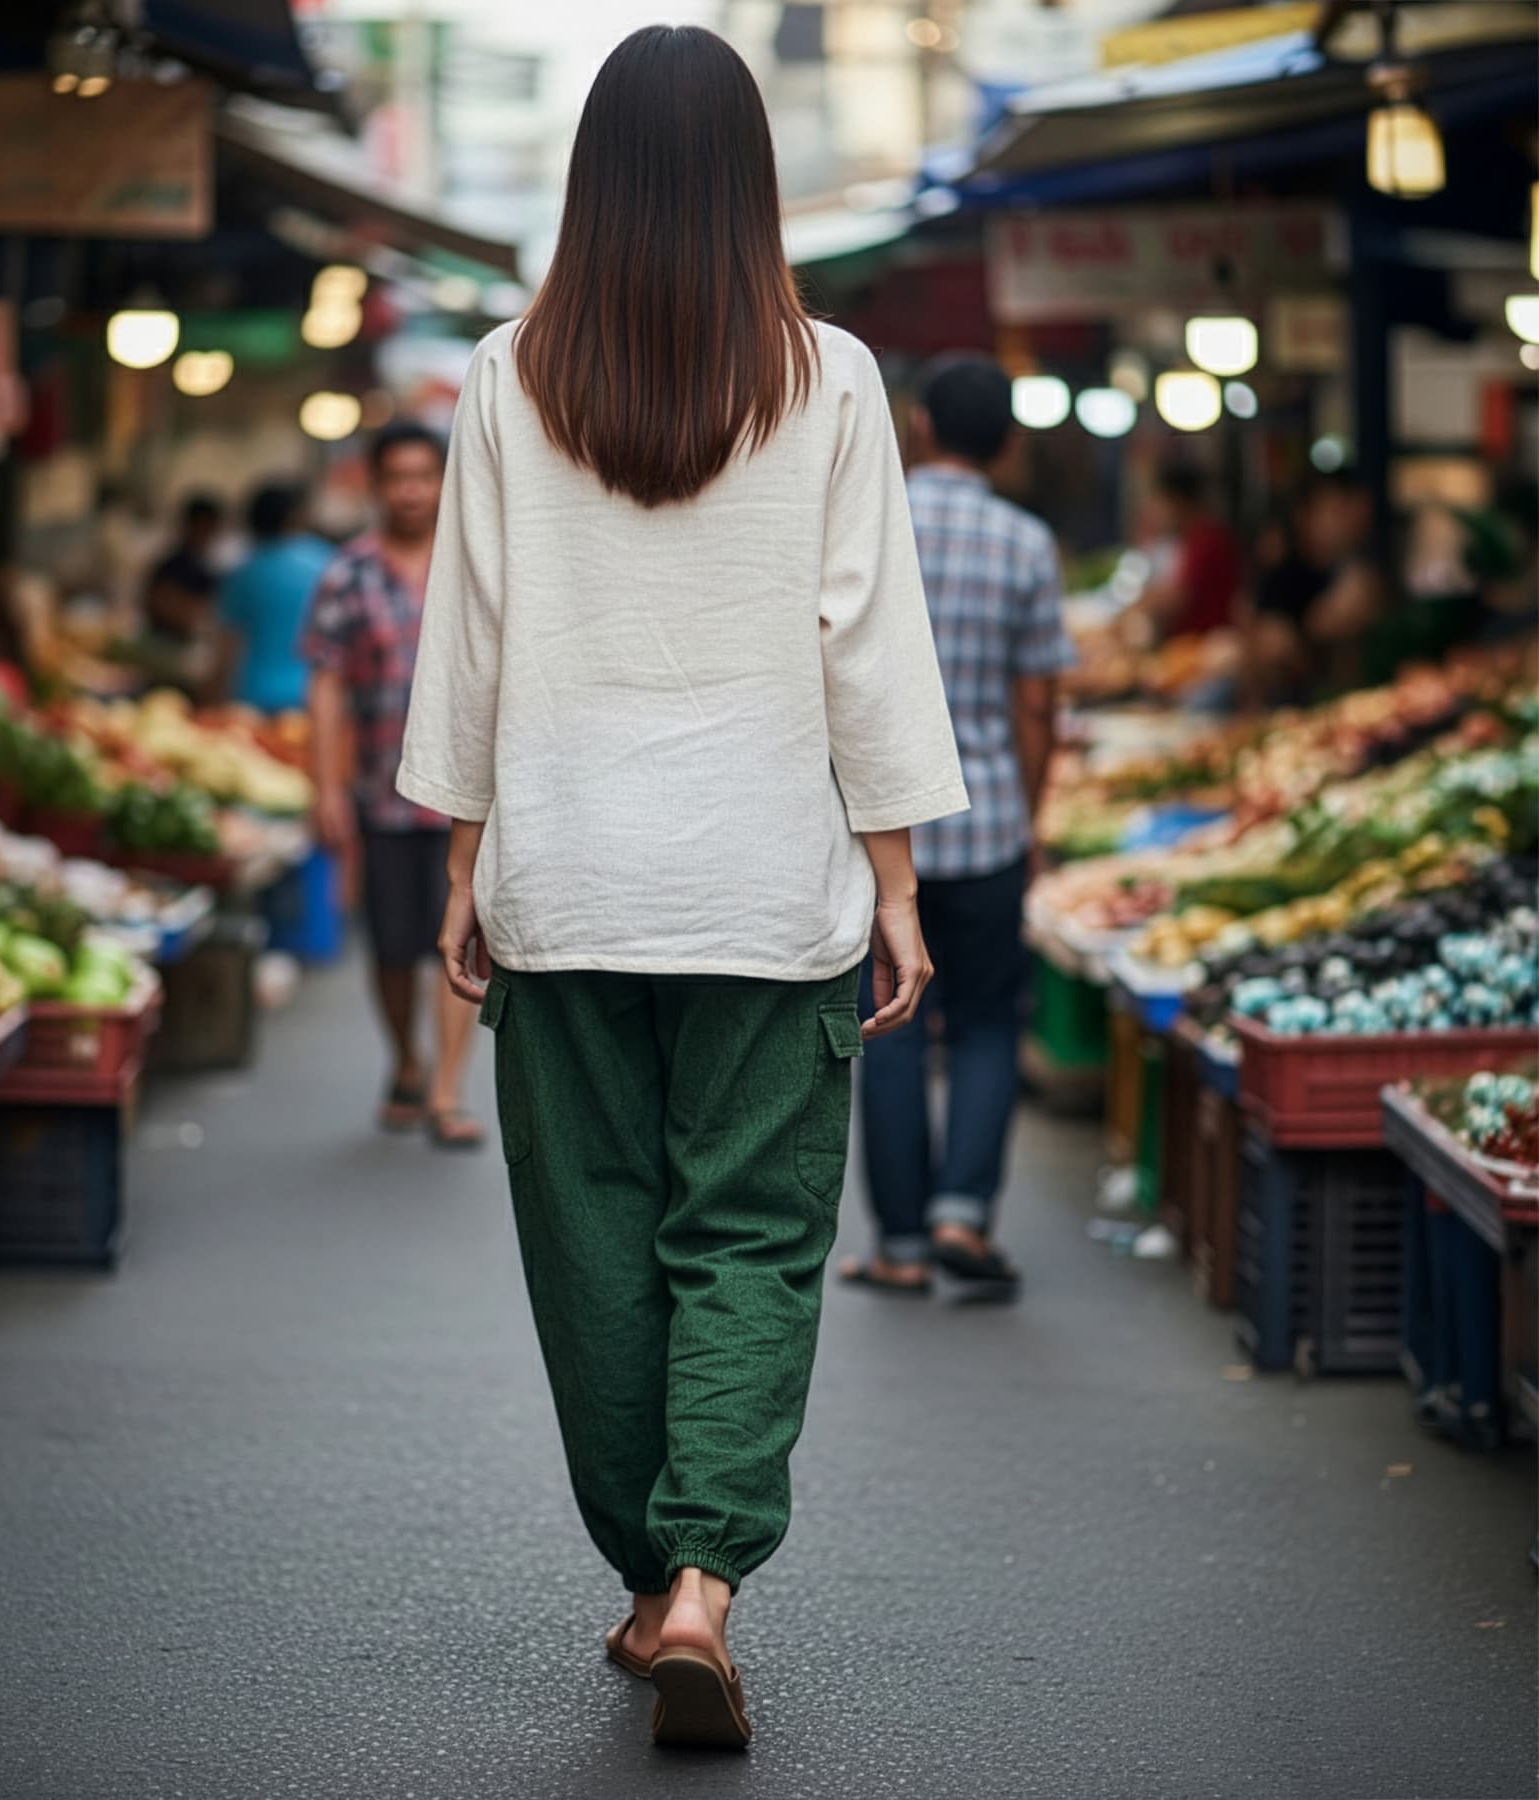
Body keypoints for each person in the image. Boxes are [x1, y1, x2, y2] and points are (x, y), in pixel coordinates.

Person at [395, 26, 965, 1750]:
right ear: (750, 181)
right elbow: (868, 647)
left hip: (568, 874)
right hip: (766, 880)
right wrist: (899, 879)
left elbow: (469, 643)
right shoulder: (834, 378)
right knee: (755, 1239)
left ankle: (650, 1582)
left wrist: (465, 857)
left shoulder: (506, 376)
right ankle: (704, 1583)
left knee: (592, 1249)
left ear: (590, 180)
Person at [839, 356, 1073, 1302]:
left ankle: (898, 1241)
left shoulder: (867, 528)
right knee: (983, 1025)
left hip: (879, 828)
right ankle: (961, 1213)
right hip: (985, 833)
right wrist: (1028, 808)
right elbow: (1036, 703)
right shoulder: (1025, 542)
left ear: (921, 425)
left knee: (888, 1024)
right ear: (1007, 443)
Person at [302, 423, 483, 1150]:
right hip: (381, 794)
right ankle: (406, 1059)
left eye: (424, 475)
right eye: (397, 477)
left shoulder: (473, 566)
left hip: (464, 802)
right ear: (374, 485)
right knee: (391, 947)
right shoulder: (347, 574)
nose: (411, 490)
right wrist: (324, 788)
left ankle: (446, 1089)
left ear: (444, 481)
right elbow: (325, 686)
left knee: (459, 943)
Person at [1244, 467, 1385, 702]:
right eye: (1335, 510)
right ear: (1305, 516)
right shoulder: (1284, 572)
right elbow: (1267, 644)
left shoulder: (1360, 566)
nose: (1358, 515)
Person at [218, 483, 327, 714]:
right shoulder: (330, 563)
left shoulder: (245, 572)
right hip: (312, 697)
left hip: (252, 698)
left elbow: (229, 646)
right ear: (296, 517)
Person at [1130, 463, 1241, 642]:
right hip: (1192, 642)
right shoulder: (1189, 539)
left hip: (1207, 645)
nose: (1157, 512)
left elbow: (1179, 599)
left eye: (1160, 503)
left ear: (1178, 502)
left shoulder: (1207, 539)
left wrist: (1138, 606)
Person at [139, 494, 226, 696]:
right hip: (167, 655)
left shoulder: (204, 565)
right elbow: (162, 603)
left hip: (181, 656)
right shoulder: (174, 565)